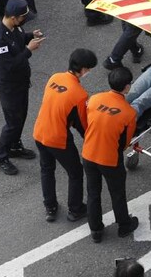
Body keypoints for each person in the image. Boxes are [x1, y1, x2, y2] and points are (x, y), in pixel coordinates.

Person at [32, 48, 95, 223]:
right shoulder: (79, 94)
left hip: (39, 131)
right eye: (89, 69)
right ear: (83, 69)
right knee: (75, 172)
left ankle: (50, 207)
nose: (88, 72)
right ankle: (75, 209)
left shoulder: (55, 77)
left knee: (47, 169)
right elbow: (81, 124)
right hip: (58, 138)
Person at [82, 66, 139, 242]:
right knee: (117, 193)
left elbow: (88, 122)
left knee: (93, 193)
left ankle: (96, 231)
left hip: (88, 154)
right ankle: (123, 226)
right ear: (127, 87)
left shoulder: (94, 99)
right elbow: (126, 142)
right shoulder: (129, 113)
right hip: (109, 159)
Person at [0, 0, 43, 176]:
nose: (24, 21)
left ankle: (14, 146)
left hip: (21, 82)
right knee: (12, 123)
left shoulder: (14, 27)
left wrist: (30, 35)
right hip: (9, 87)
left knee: (21, 117)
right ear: (13, 17)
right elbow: (10, 65)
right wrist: (29, 50)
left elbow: (19, 38)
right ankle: (0, 157)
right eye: (23, 18)